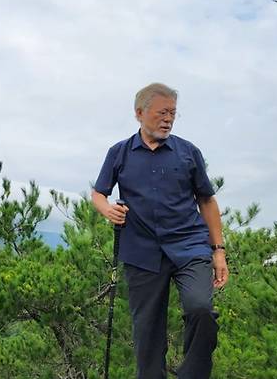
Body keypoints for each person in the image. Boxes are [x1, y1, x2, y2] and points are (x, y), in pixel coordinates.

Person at [91, 82, 228, 379]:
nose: (168, 119)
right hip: (141, 251)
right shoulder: (119, 153)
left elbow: (207, 200)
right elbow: (98, 193)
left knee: (200, 308)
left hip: (190, 246)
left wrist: (218, 251)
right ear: (139, 113)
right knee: (147, 332)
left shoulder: (188, 152)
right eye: (161, 112)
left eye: (173, 114)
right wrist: (107, 209)